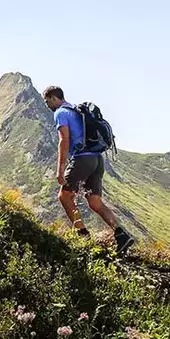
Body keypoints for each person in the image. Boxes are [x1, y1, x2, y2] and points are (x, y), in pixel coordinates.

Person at [43, 85, 135, 253]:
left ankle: (82, 236)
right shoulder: (76, 111)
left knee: (64, 196)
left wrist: (60, 168)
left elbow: (64, 140)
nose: (47, 105)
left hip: (82, 158)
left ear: (54, 98)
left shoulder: (60, 113)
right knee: (95, 201)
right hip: (97, 159)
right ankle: (121, 234)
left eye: (47, 101)